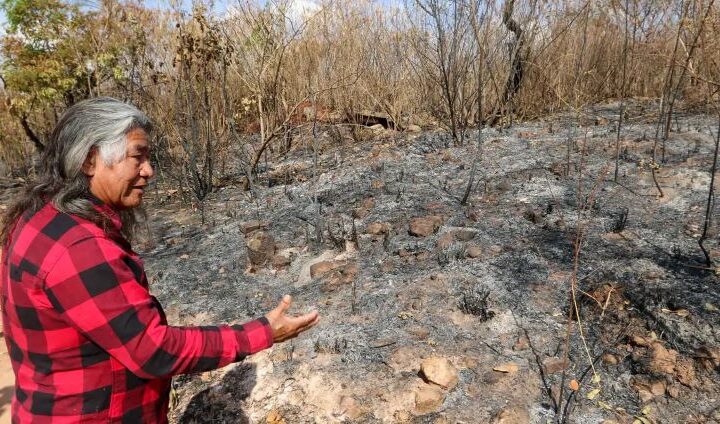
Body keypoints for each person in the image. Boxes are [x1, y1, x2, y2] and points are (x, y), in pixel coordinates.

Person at [0, 97, 320, 423]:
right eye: (137, 156)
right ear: (90, 160)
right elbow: (153, 350)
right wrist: (262, 332)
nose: (148, 170)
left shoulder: (39, 215)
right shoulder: (79, 248)